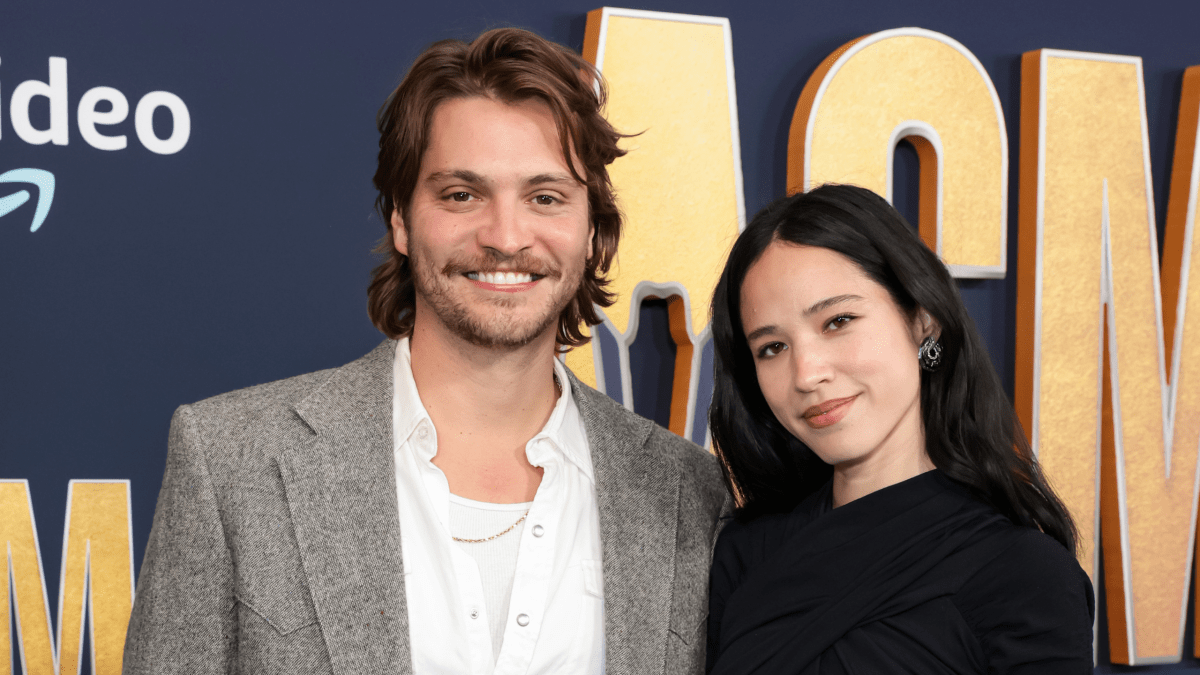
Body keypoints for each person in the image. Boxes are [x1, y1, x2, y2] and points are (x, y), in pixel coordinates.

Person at [123, 27, 728, 675]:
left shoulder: (688, 493)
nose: (504, 236)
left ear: (591, 232)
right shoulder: (231, 462)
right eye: (462, 194)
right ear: (402, 220)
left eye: (545, 197)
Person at [704, 184, 1093, 674]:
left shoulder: (1022, 573)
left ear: (923, 320)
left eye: (837, 321)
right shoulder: (746, 553)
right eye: (772, 348)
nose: (807, 374)